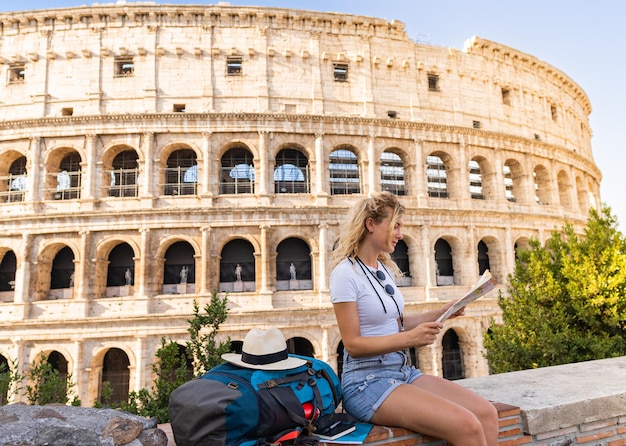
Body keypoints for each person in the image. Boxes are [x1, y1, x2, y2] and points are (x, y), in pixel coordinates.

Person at [329, 191, 499, 446]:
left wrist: (443, 312)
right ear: (370, 224)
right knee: (466, 425)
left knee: (486, 414)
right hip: (366, 382)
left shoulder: (383, 270)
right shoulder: (345, 274)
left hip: (401, 372)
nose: (400, 233)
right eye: (395, 225)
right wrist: (410, 339)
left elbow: (395, 323)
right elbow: (353, 344)